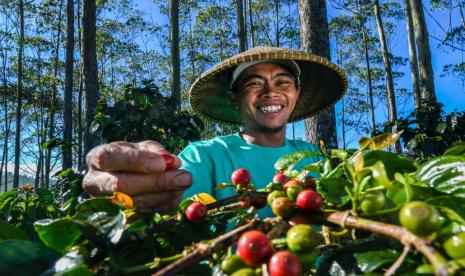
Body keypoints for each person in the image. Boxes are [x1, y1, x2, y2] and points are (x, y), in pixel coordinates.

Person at [83, 46, 347, 215]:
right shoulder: (205, 155)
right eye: (254, 84)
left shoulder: (314, 156)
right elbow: (173, 202)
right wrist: (135, 190)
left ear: (296, 93)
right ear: (235, 98)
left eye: (283, 82)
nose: (270, 92)